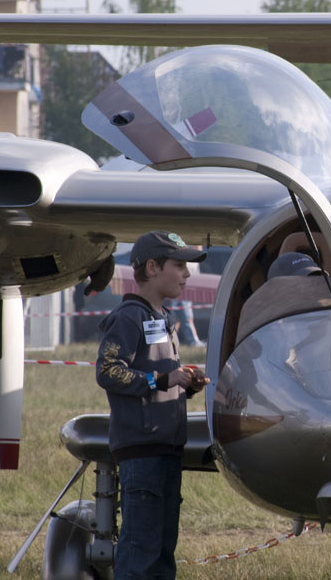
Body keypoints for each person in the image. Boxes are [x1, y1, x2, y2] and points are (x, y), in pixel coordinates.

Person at [96, 230, 210, 580]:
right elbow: (108, 371)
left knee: (162, 554)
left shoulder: (162, 319)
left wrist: (185, 384)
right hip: (142, 453)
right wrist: (160, 380)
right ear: (152, 267)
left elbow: (158, 376)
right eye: (179, 265)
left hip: (165, 450)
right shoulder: (129, 318)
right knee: (140, 552)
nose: (187, 274)